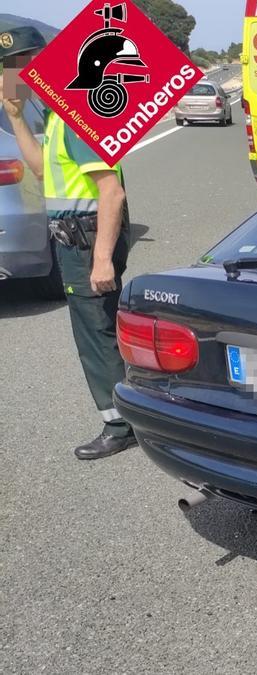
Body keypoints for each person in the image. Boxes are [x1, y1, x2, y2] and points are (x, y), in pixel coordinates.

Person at [2, 26, 136, 459]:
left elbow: (111, 192)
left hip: (87, 239)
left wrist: (101, 260)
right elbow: (43, 170)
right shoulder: (60, 114)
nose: (8, 78)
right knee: (102, 328)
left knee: (95, 335)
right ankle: (133, 410)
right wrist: (18, 118)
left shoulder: (79, 114)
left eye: (13, 67)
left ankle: (121, 424)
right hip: (76, 239)